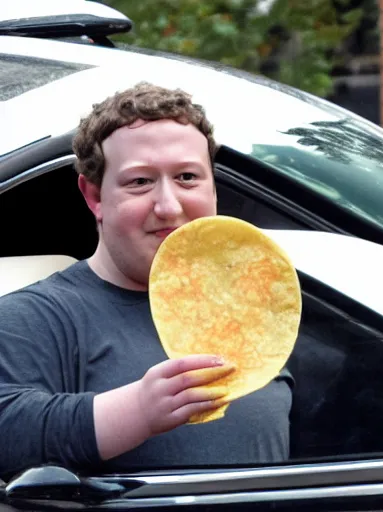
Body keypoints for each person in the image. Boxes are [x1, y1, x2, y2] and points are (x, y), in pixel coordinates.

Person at [0, 82, 293, 480]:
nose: (169, 206)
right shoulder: (34, 316)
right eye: (139, 181)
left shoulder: (258, 310)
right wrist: (139, 410)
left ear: (213, 190)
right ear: (94, 197)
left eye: (187, 177)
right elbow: (9, 430)